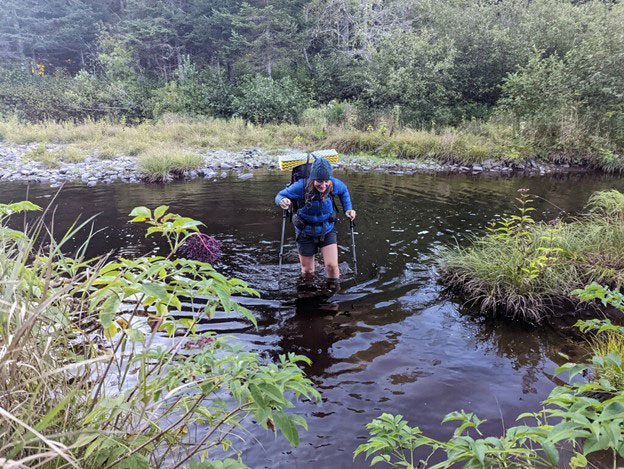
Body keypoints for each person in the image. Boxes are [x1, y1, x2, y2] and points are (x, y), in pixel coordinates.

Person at [275, 157, 356, 280]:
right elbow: (280, 195)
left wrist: (348, 209)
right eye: (319, 181)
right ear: (312, 178)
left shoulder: (334, 184)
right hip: (304, 231)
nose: (323, 185)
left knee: (332, 266)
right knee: (308, 271)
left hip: (327, 228)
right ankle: (308, 294)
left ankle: (334, 292)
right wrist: (282, 201)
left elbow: (344, 191)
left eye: (326, 181)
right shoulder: (300, 187)